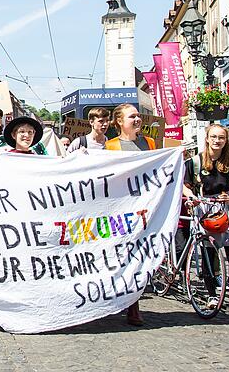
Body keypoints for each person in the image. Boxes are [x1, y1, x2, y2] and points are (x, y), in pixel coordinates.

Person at [183, 124, 229, 317]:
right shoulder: (195, 162)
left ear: (226, 140)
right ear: (207, 138)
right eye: (213, 137)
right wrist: (192, 197)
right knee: (208, 254)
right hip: (204, 208)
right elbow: (185, 186)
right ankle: (212, 295)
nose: (217, 141)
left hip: (226, 210)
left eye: (221, 138)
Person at [103, 103, 154, 325]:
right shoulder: (111, 146)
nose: (137, 119)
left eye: (138, 115)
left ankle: (134, 303)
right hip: (122, 209)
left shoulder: (149, 143)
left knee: (141, 254)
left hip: (146, 206)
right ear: (119, 122)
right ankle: (130, 305)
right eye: (131, 116)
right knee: (125, 255)